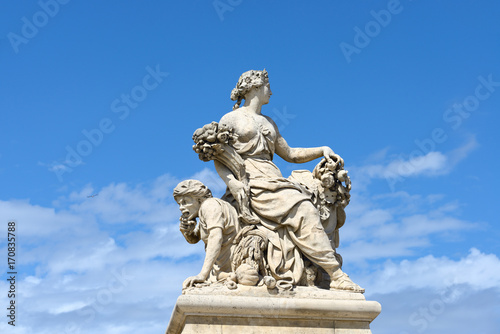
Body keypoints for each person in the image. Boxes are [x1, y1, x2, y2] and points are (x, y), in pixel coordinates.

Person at [214, 69, 363, 292]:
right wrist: (232, 182)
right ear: (255, 87)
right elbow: (219, 156)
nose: (271, 92)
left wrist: (322, 149)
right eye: (268, 86)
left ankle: (326, 271)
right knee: (304, 208)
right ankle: (336, 274)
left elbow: (291, 154)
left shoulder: (269, 122)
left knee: (309, 200)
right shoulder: (231, 119)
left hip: (273, 179)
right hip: (251, 182)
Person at [173, 179, 240, 289]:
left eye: (185, 202)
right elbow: (194, 239)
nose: (181, 207)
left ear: (198, 199)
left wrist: (202, 275)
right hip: (222, 267)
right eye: (179, 204)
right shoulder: (204, 211)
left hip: (230, 262)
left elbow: (216, 237)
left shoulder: (209, 205)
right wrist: (186, 231)